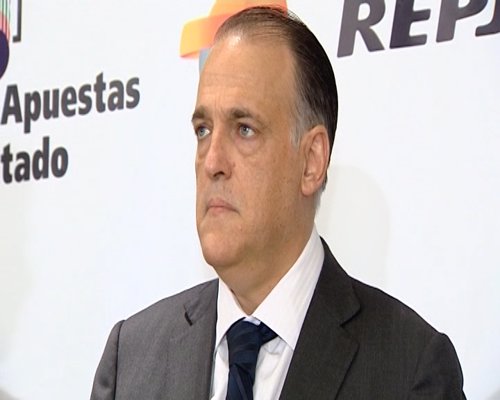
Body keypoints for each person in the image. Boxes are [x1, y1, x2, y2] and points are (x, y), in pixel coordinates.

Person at [90, 6, 466, 400]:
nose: (212, 162)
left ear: (311, 161)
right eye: (203, 130)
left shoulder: (410, 369)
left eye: (244, 129)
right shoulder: (130, 360)